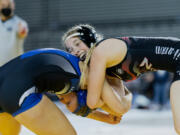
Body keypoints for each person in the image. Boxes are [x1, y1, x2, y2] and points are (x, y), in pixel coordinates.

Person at [63, 24, 180, 134]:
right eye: (70, 50)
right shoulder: (107, 68)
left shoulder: (101, 51)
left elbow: (92, 102)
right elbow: (121, 107)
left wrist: (86, 79)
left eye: (77, 44)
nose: (75, 51)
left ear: (90, 39)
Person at [0, 48, 131, 135]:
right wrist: (112, 107)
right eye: (67, 103)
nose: (63, 102)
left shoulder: (67, 74)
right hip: (17, 92)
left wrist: (103, 116)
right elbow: (119, 107)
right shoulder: (85, 77)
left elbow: (75, 104)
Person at [0, 0, 28, 134]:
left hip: (13, 72)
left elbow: (22, 32)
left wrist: (21, 31)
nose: (5, 6)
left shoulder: (19, 23)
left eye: (8, 4)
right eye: (2, 4)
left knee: (11, 107)